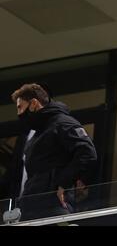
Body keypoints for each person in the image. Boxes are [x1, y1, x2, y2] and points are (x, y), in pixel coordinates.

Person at [11, 83, 97, 220]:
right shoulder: (38, 133)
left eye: (20, 107)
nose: (19, 113)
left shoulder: (63, 123)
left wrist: (63, 183)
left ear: (33, 103)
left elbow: (87, 153)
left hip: (54, 207)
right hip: (31, 209)